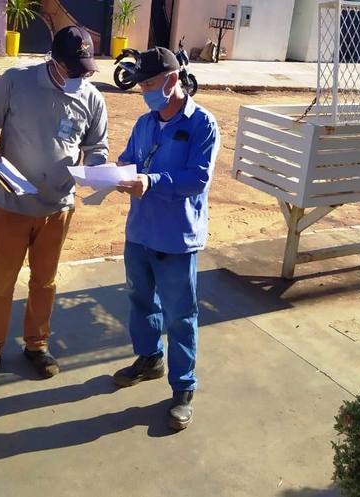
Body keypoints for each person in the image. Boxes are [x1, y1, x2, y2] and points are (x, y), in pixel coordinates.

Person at [0, 26, 109, 390]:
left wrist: (97, 169)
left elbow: (96, 146)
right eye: (72, 70)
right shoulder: (16, 82)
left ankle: (37, 345)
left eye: (85, 70)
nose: (79, 77)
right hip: (10, 204)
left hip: (57, 208)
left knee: (44, 282)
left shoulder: (92, 98)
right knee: (0, 283)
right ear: (54, 60)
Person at [113, 47, 220, 430]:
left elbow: (197, 179)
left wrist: (152, 181)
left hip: (175, 238)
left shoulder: (202, 124)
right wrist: (114, 173)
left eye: (150, 85)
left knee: (180, 315)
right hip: (140, 232)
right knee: (140, 301)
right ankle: (149, 359)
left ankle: (183, 388)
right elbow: (129, 158)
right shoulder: (144, 123)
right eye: (141, 86)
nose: (145, 92)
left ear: (173, 80)